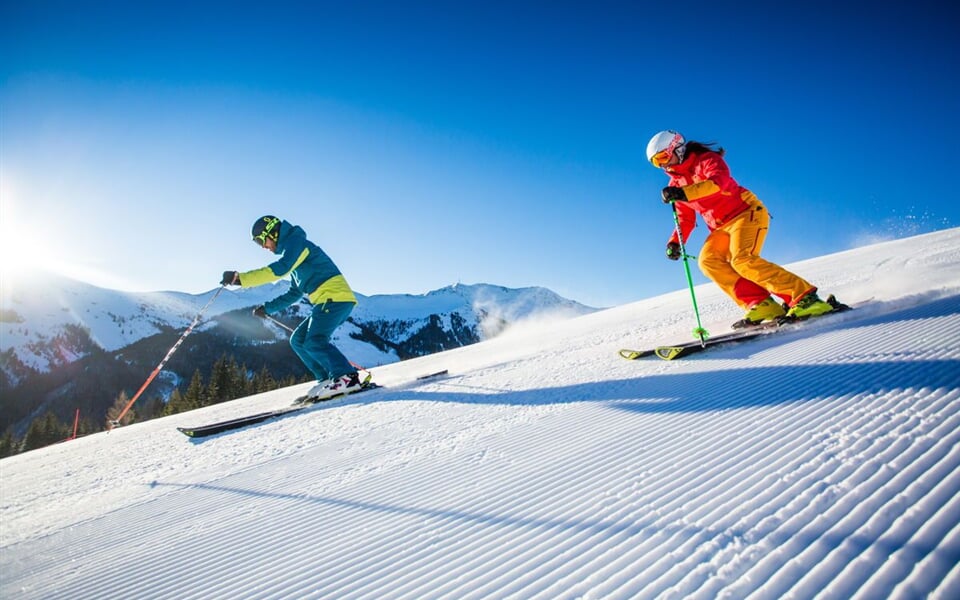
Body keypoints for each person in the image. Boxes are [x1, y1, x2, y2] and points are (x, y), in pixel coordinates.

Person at [645, 130, 835, 328]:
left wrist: (683, 192)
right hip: (720, 227)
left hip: (746, 213)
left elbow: (718, 183)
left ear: (678, 148)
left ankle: (805, 298)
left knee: (743, 259)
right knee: (708, 261)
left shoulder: (706, 160)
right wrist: (675, 241)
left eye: (663, 157)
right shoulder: (675, 184)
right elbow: (685, 219)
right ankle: (761, 304)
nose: (663, 165)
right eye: (657, 162)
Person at [221, 215, 362, 398]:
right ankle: (327, 378)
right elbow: (294, 293)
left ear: (271, 233)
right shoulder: (294, 256)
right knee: (298, 340)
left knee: (314, 341)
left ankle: (346, 377)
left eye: (261, 241)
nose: (263, 247)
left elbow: (280, 269)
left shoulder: (297, 243)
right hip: (327, 301)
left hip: (335, 299)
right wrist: (268, 308)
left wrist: (240, 279)